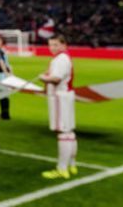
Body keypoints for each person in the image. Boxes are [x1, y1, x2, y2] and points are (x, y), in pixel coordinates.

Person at [39, 35, 78, 179]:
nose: (52, 48)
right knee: (69, 132)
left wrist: (44, 78)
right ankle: (72, 164)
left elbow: (56, 79)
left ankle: (62, 168)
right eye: (50, 45)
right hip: (66, 95)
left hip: (60, 97)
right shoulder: (65, 57)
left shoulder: (61, 59)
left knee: (62, 132)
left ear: (63, 44)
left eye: (55, 45)